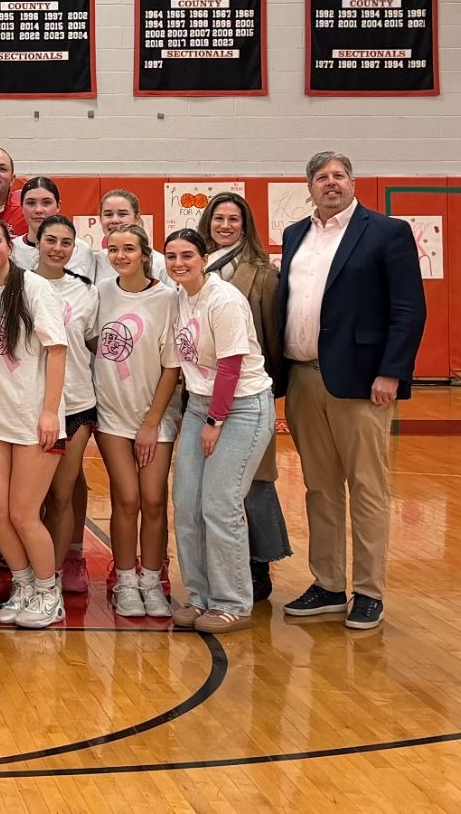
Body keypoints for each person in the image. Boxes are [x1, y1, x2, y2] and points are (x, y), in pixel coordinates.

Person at [275, 151, 425, 632]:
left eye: (339, 175)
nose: (331, 183)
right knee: (319, 489)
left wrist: (392, 373)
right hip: (302, 377)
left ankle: (368, 591)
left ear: (354, 183)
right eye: (322, 177)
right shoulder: (295, 235)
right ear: (309, 187)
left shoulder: (386, 232)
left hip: (362, 382)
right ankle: (328, 584)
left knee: (367, 487)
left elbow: (409, 310)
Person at [161, 229, 277, 635]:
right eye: (171, 255)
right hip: (198, 404)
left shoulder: (224, 299)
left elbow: (230, 366)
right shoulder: (179, 296)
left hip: (241, 407)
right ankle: (199, 595)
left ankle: (232, 601)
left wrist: (215, 421)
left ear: (205, 256)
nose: (179, 263)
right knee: (187, 504)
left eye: (187, 255)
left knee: (220, 503)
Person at [0, 218, 70, 629]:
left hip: (34, 420)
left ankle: (50, 592)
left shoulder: (34, 288)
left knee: (25, 514)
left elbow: (58, 351)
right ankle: (26, 584)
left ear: (10, 246)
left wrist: (49, 411)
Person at [197, 192, 290, 603]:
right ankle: (220, 566)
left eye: (234, 219)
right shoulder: (190, 271)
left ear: (245, 225)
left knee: (254, 481)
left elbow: (273, 335)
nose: (225, 226)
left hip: (249, 393)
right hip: (203, 395)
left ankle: (260, 562)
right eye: (219, 218)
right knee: (214, 489)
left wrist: (271, 390)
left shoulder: (263, 273)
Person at [92, 223, 182, 620]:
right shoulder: (101, 293)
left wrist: (152, 422)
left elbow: (170, 366)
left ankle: (152, 578)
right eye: (114, 250)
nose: (121, 256)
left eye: (129, 249)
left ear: (146, 254)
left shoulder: (168, 299)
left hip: (154, 416)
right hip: (112, 414)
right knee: (126, 498)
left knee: (154, 499)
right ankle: (126, 580)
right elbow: (95, 341)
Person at [32, 216, 99, 598]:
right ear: (37, 243)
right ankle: (33, 572)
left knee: (62, 493)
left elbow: (92, 345)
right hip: (30, 406)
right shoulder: (18, 283)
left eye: (66, 242)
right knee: (30, 500)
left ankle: (53, 576)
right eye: (51, 240)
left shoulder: (87, 292)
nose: (58, 248)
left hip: (75, 404)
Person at [92, 189, 165, 284]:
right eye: (108, 214)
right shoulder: (95, 261)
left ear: (137, 218)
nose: (114, 220)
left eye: (122, 214)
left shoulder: (159, 263)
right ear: (100, 219)